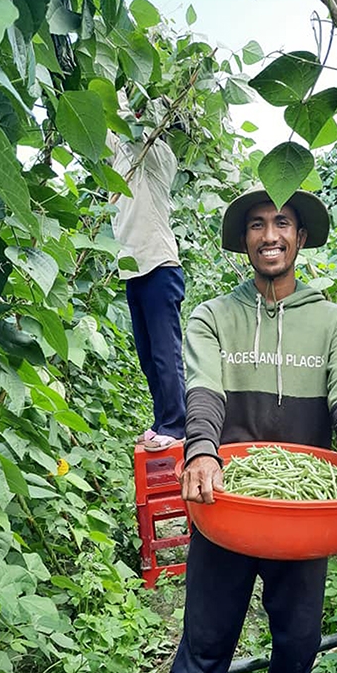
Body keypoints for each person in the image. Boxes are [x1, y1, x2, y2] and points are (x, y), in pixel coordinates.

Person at [145, 186, 337, 673]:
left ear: (300, 236)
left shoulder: (333, 322)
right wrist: (202, 450)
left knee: (298, 636)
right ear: (245, 240)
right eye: (257, 224)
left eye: (282, 222)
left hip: (303, 518)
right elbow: (202, 387)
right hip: (228, 502)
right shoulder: (213, 316)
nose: (271, 234)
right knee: (205, 637)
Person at [107, 91, 185, 451]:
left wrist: (124, 97)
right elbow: (110, 131)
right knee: (147, 355)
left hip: (158, 265)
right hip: (134, 269)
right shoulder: (124, 159)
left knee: (164, 353)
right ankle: (162, 420)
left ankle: (176, 425)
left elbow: (131, 129)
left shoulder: (158, 155)